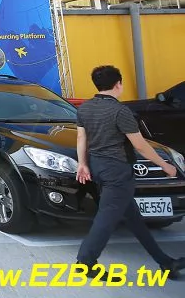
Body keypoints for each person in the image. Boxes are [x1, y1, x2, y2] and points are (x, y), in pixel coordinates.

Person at [75, 65, 182, 279]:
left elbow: (81, 138)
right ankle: (86, 262)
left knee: (134, 219)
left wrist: (82, 164)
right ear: (118, 84)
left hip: (98, 167)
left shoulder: (85, 108)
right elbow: (140, 145)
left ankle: (165, 262)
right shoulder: (120, 111)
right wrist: (166, 165)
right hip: (117, 170)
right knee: (106, 218)